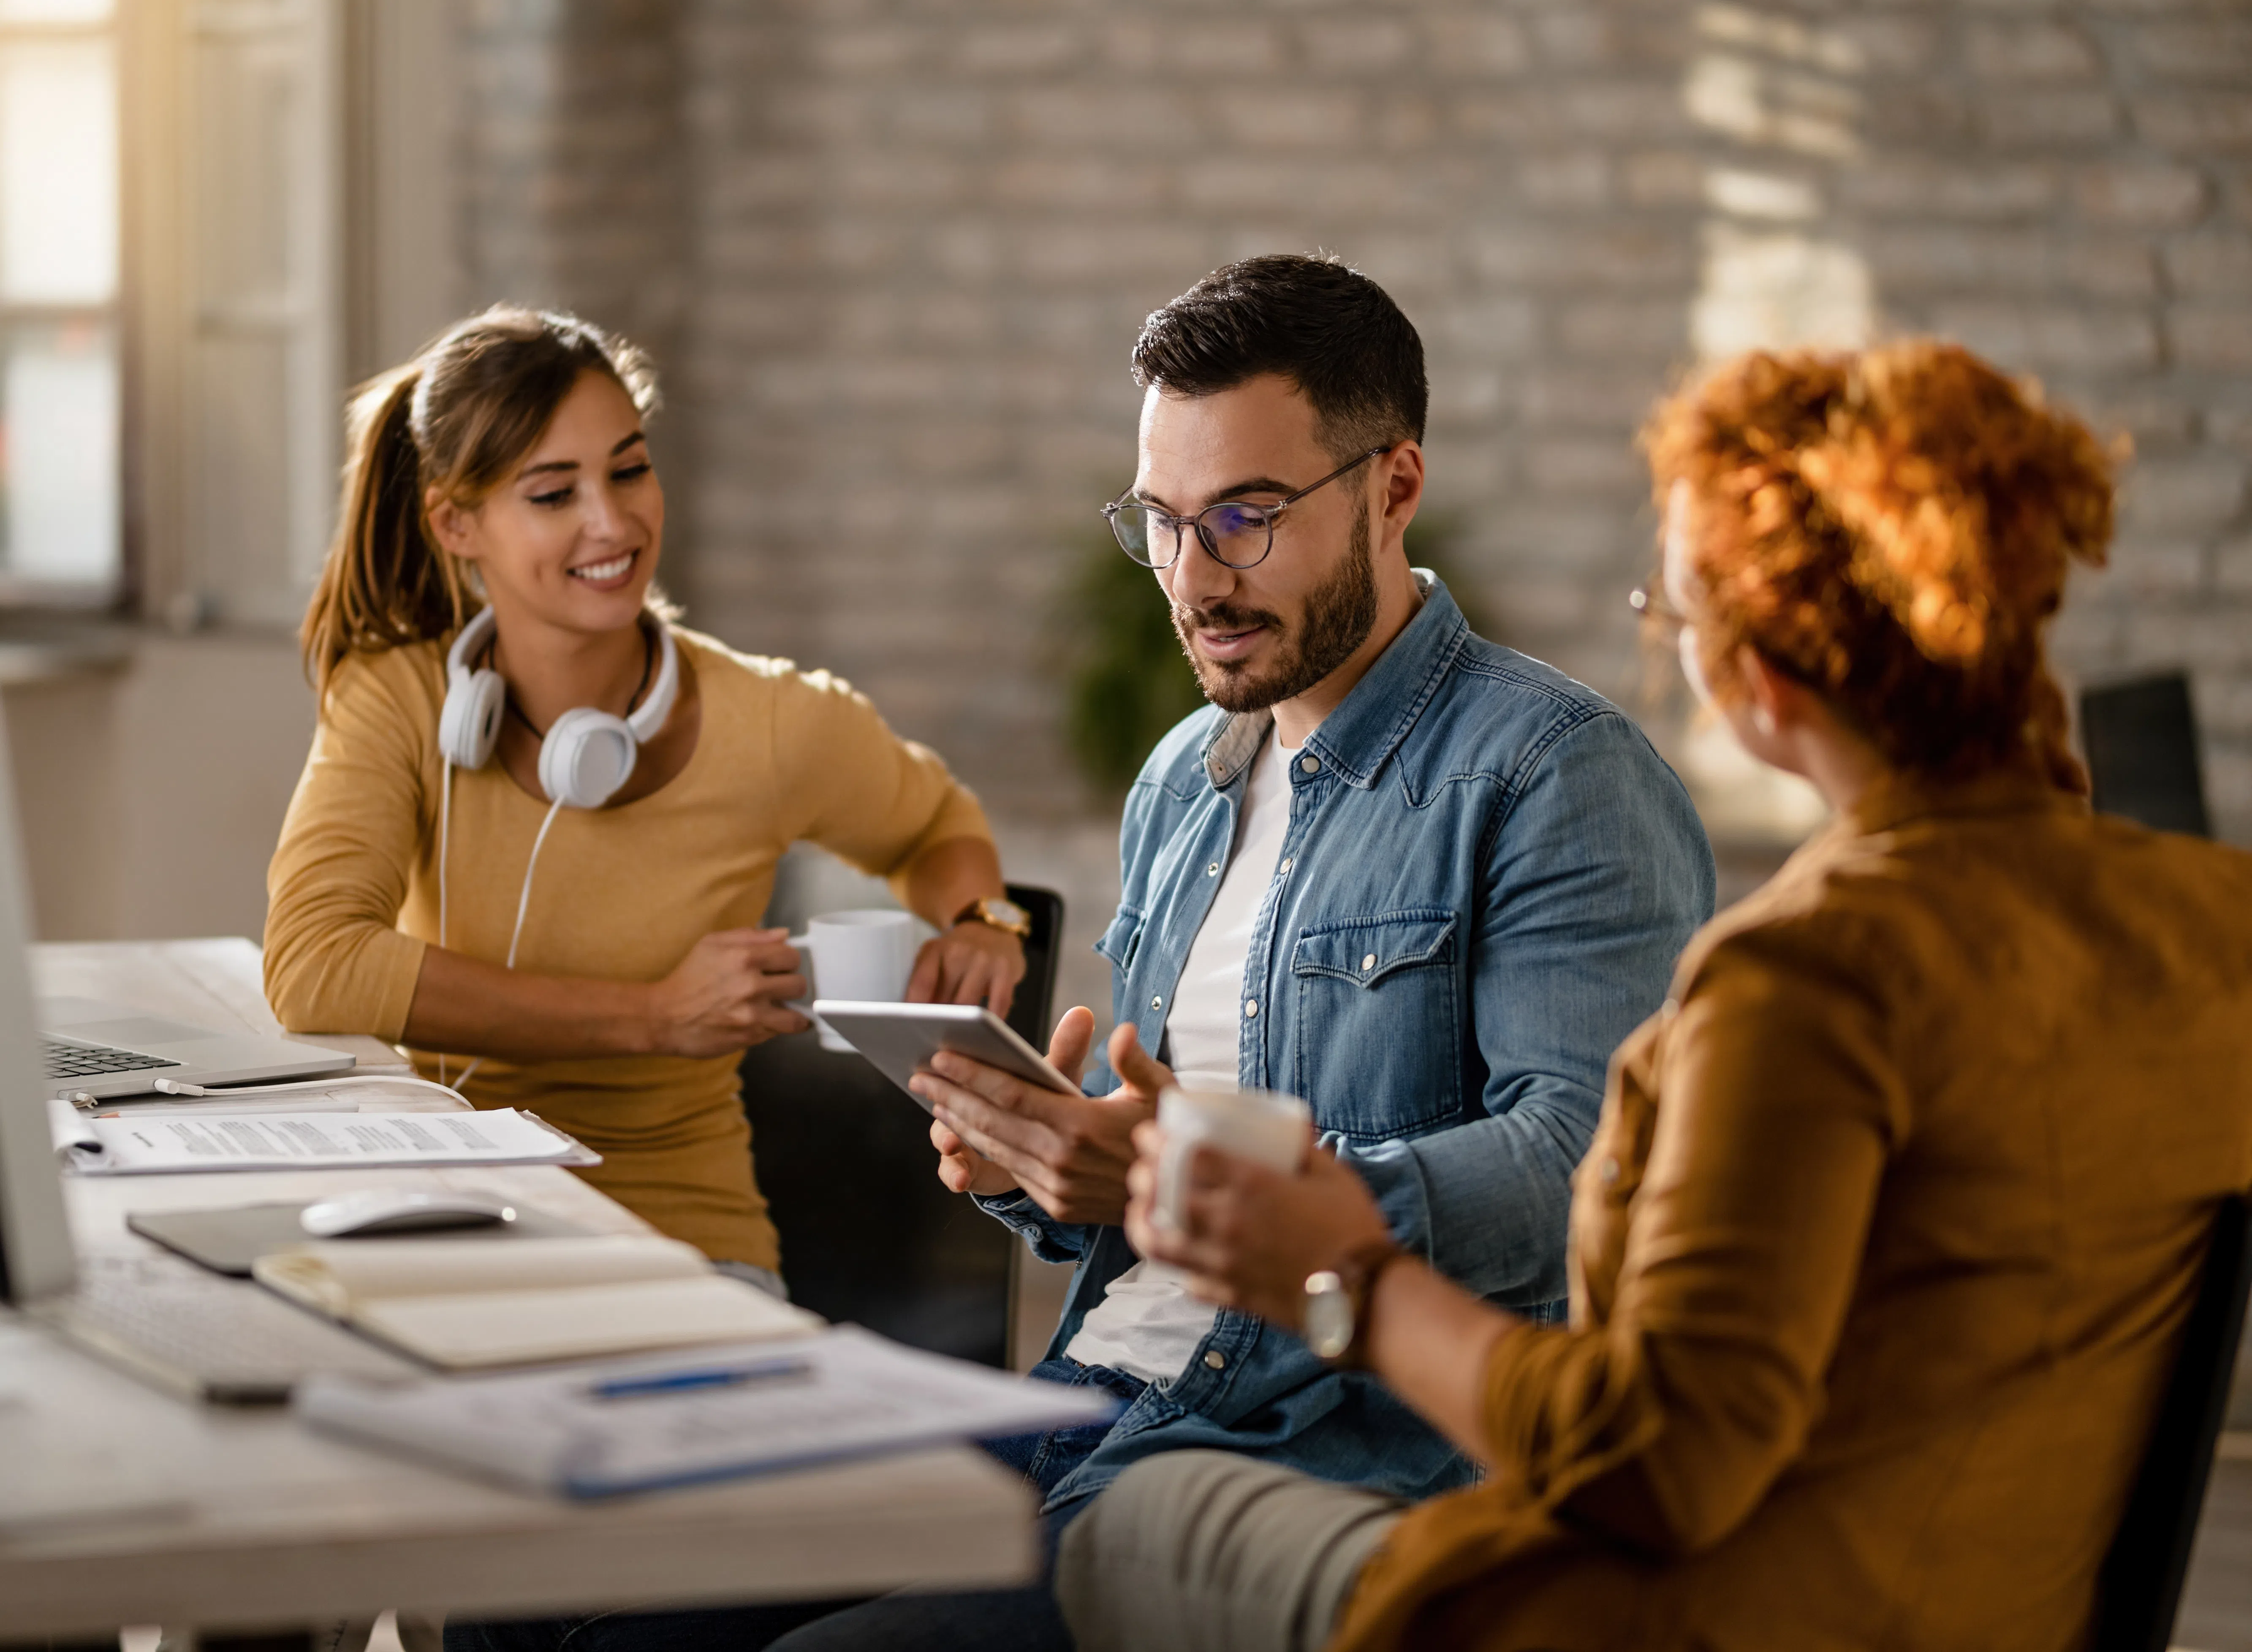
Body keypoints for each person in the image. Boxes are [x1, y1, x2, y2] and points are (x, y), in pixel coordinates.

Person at [1055, 340, 2252, 1652]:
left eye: (1671, 617)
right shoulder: (2210, 921)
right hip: (1991, 1596)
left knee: (1124, 1530)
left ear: (1760, 680)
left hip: (1686, 1615)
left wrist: (1341, 1270)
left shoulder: (1802, 979)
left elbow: (1652, 1465)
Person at [739, 256, 1714, 1650]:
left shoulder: (1551, 775)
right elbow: (1140, 1181)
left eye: (1246, 518)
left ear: (1392, 487)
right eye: (1163, 522)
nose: (1194, 580)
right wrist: (1044, 1159)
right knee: (569, 1601)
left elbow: (1592, 1166)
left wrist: (1208, 1177)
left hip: (1309, 1448)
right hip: (1085, 1400)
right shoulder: (1181, 779)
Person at [265, 306, 1027, 1290]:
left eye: (628, 469)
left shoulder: (776, 722)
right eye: (553, 492)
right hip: (444, 1215)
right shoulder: (400, 699)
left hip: (684, 1239)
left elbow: (935, 821)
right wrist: (649, 1015)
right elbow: (316, 964)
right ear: (457, 522)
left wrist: (984, 918)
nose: (611, 523)